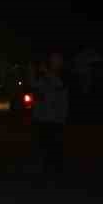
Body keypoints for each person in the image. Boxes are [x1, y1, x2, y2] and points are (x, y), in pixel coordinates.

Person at [30, 51, 69, 184]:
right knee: (43, 147)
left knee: (54, 148)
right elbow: (35, 90)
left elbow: (59, 87)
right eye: (53, 59)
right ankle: (42, 174)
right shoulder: (44, 77)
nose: (55, 62)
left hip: (56, 119)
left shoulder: (63, 76)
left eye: (57, 59)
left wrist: (46, 73)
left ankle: (55, 175)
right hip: (42, 117)